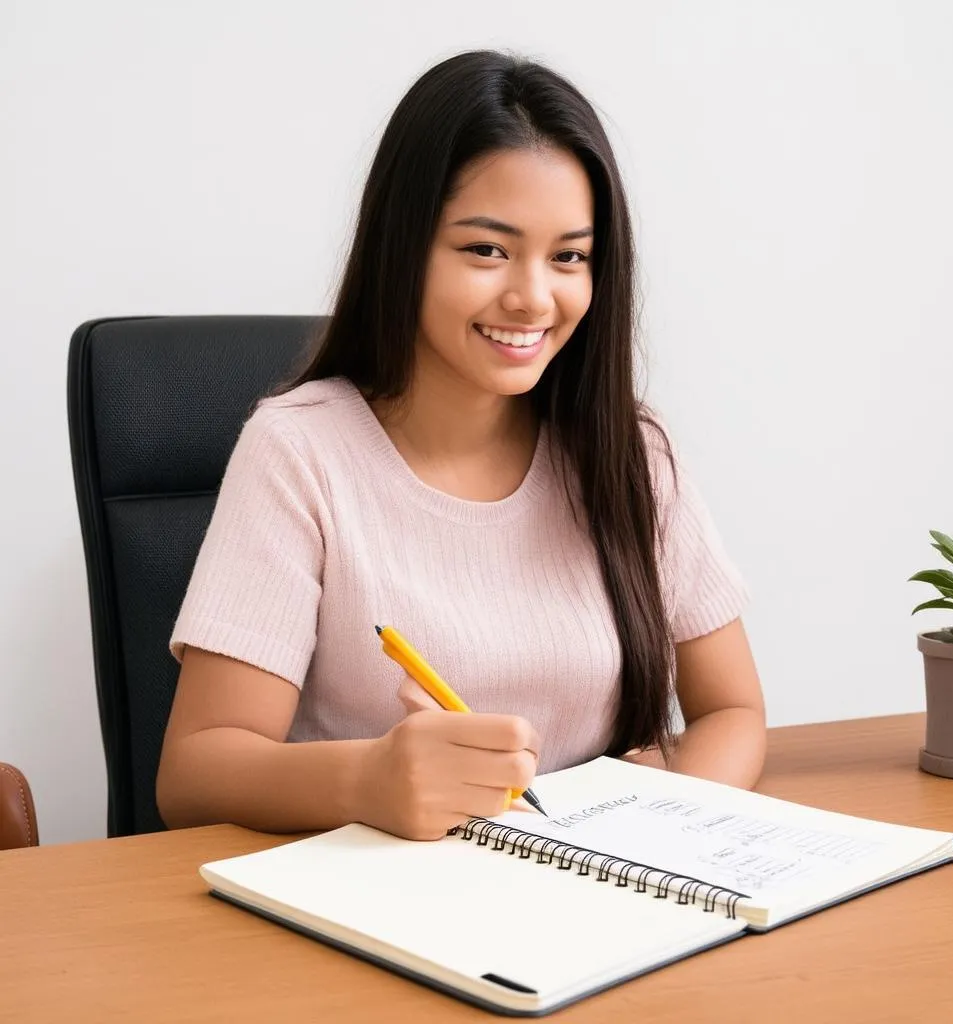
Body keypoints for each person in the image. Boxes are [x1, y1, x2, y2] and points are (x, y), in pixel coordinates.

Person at [155, 49, 766, 841]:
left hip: (591, 898)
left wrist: (642, 805)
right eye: (486, 249)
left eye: (569, 257)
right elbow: (195, 773)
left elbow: (735, 712)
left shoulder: (631, 451)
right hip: (377, 901)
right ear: (402, 245)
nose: (532, 297)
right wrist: (368, 778)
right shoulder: (299, 452)